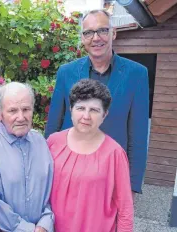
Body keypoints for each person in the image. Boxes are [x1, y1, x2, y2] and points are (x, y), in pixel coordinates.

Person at [44, 9, 149, 194]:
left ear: (113, 33)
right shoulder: (66, 72)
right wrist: (45, 170)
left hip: (110, 173)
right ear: (83, 38)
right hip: (68, 170)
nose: (96, 38)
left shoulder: (137, 74)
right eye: (88, 32)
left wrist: (131, 187)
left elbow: (138, 134)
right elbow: (53, 125)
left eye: (102, 30)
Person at [47, 79, 134, 232]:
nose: (86, 116)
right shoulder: (53, 143)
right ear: (71, 110)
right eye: (80, 108)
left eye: (94, 110)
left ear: (104, 114)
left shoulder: (114, 153)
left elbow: (125, 208)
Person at [0, 82, 54, 232]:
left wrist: (45, 223)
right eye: (13, 111)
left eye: (26, 109)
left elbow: (49, 194)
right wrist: (28, 230)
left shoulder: (40, 142)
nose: (21, 117)